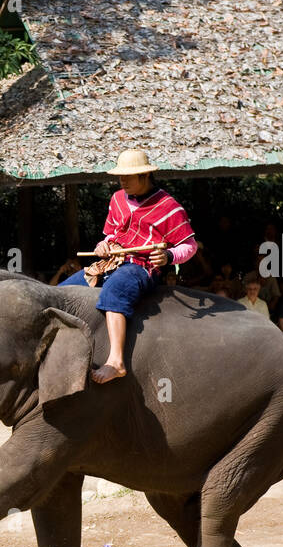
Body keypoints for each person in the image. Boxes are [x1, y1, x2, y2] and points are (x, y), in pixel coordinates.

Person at [60, 148, 196, 383]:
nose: (122, 181)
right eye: (120, 176)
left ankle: (116, 362)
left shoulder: (169, 206)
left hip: (141, 267)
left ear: (144, 176)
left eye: (128, 176)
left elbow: (190, 245)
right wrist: (103, 246)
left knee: (115, 289)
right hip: (110, 263)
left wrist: (169, 257)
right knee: (61, 292)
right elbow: (110, 236)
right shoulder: (116, 199)